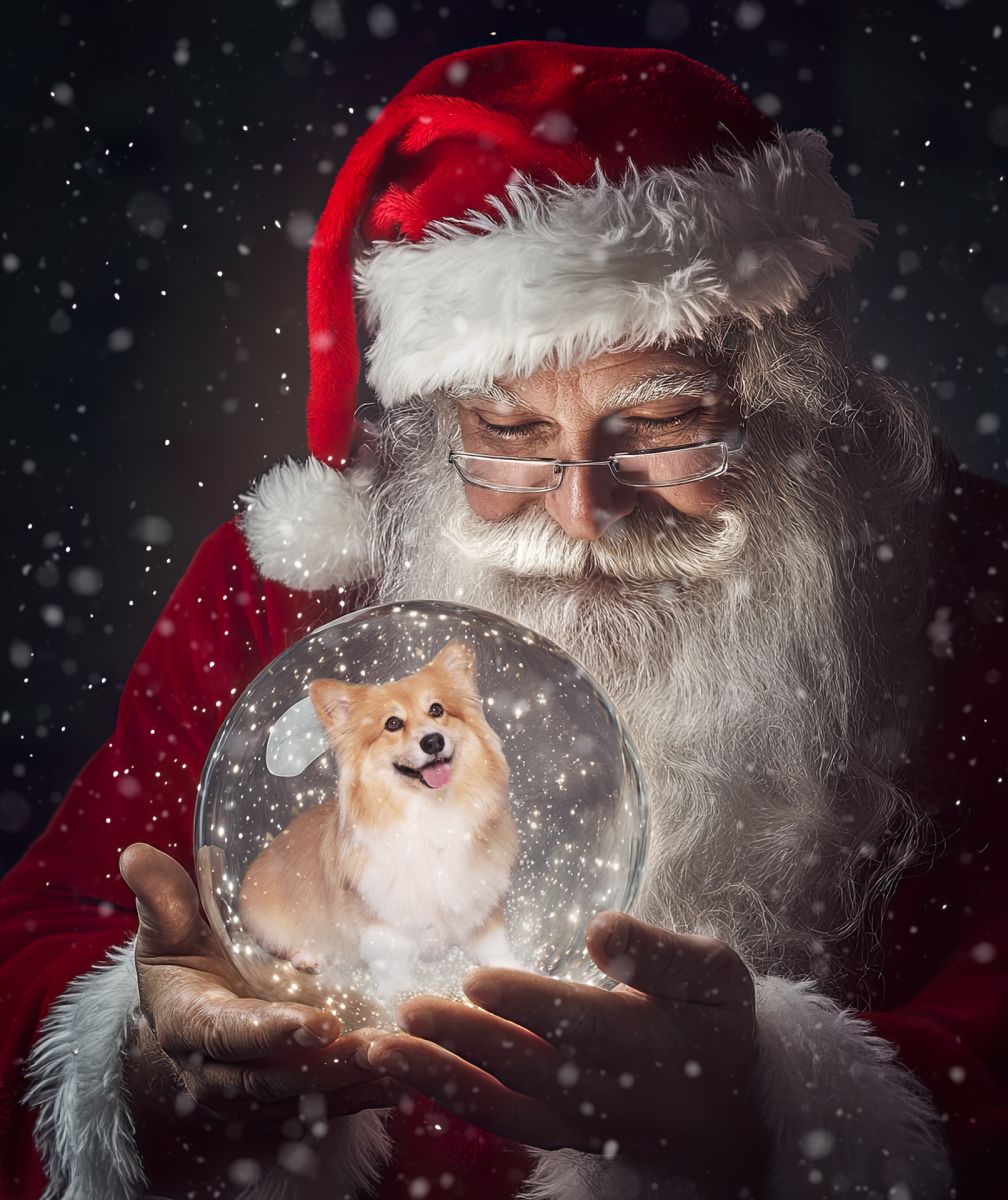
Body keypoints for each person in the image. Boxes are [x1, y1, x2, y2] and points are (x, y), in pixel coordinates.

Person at [2, 39, 1005, 1200]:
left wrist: (777, 1112)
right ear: (437, 423)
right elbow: (44, 932)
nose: (583, 512)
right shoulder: (285, 594)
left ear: (783, 397)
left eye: (664, 424)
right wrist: (147, 1060)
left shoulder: (961, 580)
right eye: (512, 434)